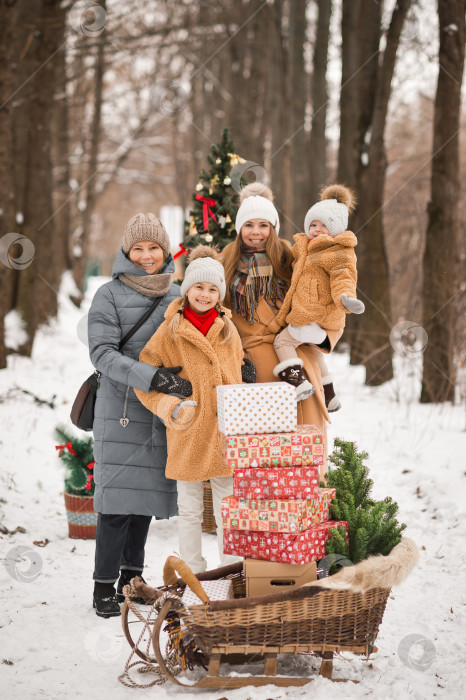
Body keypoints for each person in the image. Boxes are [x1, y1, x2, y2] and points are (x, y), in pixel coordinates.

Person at [88, 213, 193, 618]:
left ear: (166, 251)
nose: (147, 256)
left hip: (163, 413)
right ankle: (102, 587)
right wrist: (153, 378)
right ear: (127, 252)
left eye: (154, 248)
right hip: (122, 410)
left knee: (146, 499)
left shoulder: (178, 295)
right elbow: (102, 354)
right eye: (139, 248)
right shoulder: (107, 295)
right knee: (116, 503)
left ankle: (130, 580)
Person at [135, 246, 253, 574]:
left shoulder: (228, 329)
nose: (205, 294)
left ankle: (232, 571)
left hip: (227, 432)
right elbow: (143, 380)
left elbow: (236, 369)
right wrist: (171, 407)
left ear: (220, 293)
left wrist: (244, 376)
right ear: (187, 290)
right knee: (188, 511)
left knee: (229, 508)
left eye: (213, 288)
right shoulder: (170, 329)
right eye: (199, 287)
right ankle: (194, 573)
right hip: (188, 430)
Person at [222, 182, 343, 478]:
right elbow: (216, 308)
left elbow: (324, 296)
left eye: (264, 225)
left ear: (273, 227)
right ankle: (268, 507)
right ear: (239, 228)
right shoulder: (227, 259)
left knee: (307, 437)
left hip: (296, 355)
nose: (256, 232)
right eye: (249, 224)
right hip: (252, 362)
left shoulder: (289, 256)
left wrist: (321, 334)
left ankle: (311, 501)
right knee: (263, 445)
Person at [273, 184, 365, 409]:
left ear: (336, 229)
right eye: (313, 224)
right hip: (312, 314)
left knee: (282, 341)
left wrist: (345, 297)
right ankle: (330, 396)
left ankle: (297, 382)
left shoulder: (337, 251)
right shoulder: (305, 247)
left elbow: (344, 276)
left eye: (324, 225)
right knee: (314, 353)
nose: (317, 229)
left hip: (314, 313)